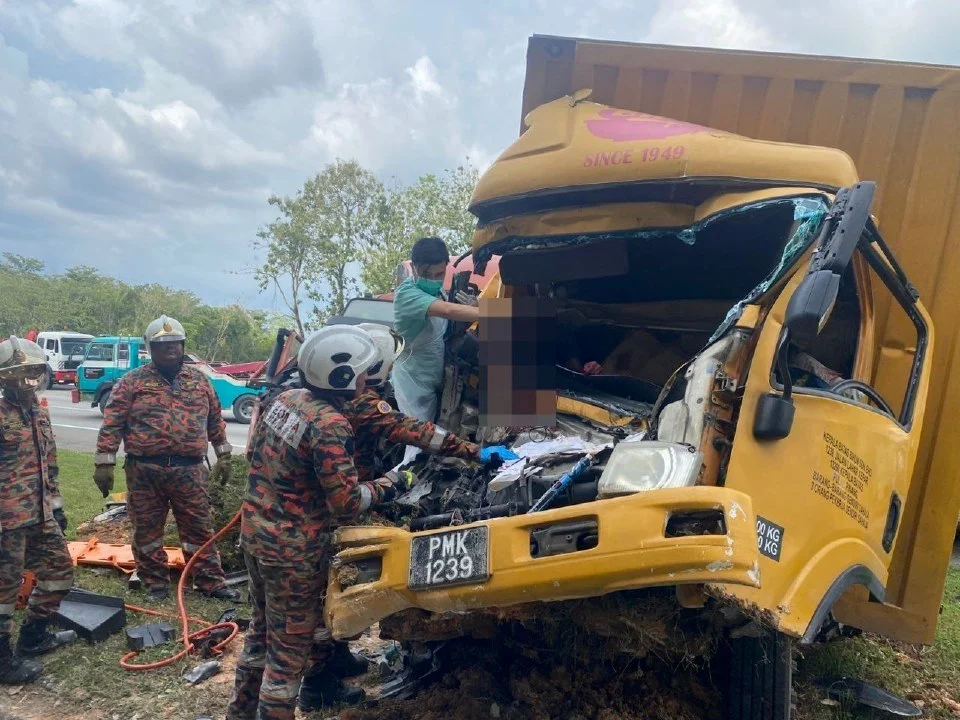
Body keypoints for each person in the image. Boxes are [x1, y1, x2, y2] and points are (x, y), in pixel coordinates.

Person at [296, 324, 516, 711]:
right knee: (329, 587)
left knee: (333, 581)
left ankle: (334, 655)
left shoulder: (309, 399)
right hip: (336, 505)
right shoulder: (361, 405)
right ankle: (317, 682)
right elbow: (415, 431)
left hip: (324, 502)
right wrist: (472, 451)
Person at [226, 325, 413, 720]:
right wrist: (390, 484)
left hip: (256, 536)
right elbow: (346, 502)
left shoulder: (288, 400)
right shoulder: (330, 424)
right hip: (292, 553)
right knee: (290, 652)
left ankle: (240, 713)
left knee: (260, 634)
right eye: (362, 372)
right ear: (342, 376)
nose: (366, 379)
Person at [92, 315, 239, 602]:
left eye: (175, 343)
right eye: (162, 345)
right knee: (147, 531)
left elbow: (214, 420)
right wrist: (104, 463)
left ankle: (210, 582)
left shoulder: (199, 381)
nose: (170, 349)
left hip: (190, 471)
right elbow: (112, 423)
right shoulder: (131, 382)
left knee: (199, 527)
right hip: (145, 471)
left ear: (183, 346)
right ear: (150, 348)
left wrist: (223, 455)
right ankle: (154, 583)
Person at [0, 337, 76, 684]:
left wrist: (56, 509)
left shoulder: (38, 411)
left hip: (40, 515)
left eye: (34, 373)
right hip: (6, 522)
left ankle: (33, 637)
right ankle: (2, 660)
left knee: (60, 570)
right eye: (22, 374)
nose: (30, 380)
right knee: (3, 591)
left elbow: (50, 465)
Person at [392, 238, 479, 442]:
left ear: (446, 267)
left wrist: (475, 306)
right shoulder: (407, 294)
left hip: (434, 382)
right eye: (425, 274)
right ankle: (403, 474)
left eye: (439, 274)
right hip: (412, 383)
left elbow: (448, 330)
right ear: (413, 267)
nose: (433, 279)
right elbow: (448, 311)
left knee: (435, 441)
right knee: (418, 443)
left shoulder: (439, 293)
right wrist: (497, 312)